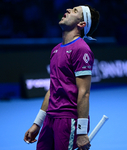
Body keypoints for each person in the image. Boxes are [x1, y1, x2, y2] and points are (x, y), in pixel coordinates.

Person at [24, 4, 100, 150]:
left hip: (68, 121)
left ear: (81, 24)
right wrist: (37, 123)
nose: (68, 10)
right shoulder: (56, 50)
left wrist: (82, 131)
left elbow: (84, 93)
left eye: (75, 11)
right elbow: (52, 90)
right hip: (50, 119)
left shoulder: (81, 49)